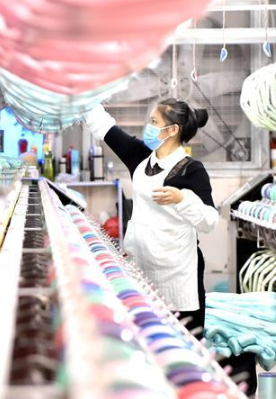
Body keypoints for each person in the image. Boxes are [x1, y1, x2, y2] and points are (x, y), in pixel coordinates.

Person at [84, 99, 218, 333]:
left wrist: (182, 199)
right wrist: (80, 99)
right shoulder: (140, 157)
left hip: (177, 277)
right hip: (141, 269)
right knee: (148, 340)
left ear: (172, 130)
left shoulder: (192, 170)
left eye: (154, 122)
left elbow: (210, 220)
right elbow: (105, 127)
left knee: (182, 343)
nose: (149, 127)